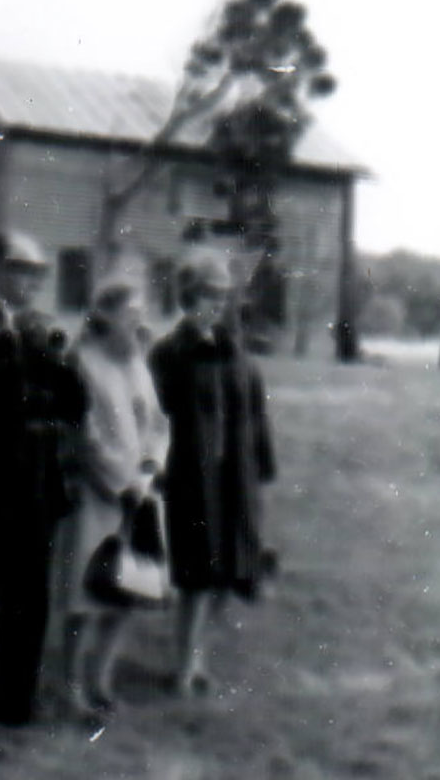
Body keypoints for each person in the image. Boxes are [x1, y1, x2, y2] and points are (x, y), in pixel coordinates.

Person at [0, 230, 86, 726]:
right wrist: (19, 352)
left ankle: (18, 700)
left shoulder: (44, 329)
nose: (27, 282)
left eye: (35, 274)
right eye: (16, 271)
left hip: (37, 475)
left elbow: (75, 404)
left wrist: (56, 359)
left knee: (31, 594)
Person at [148, 247, 276, 697]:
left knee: (230, 572)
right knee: (197, 576)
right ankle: (183, 668)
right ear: (187, 298)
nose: (215, 306)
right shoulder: (169, 353)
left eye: (222, 297)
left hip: (234, 481)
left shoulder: (235, 353)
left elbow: (256, 413)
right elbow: (155, 414)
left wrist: (260, 466)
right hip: (191, 480)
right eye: (206, 296)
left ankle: (198, 659)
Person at [56, 277, 168, 719]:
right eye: (130, 315)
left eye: (142, 315)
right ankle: (70, 686)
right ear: (104, 316)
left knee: (131, 588)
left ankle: (101, 677)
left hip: (139, 493)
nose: (139, 324)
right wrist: (120, 482)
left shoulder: (138, 364)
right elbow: (84, 435)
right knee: (85, 593)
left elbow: (158, 424)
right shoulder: (82, 363)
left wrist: (149, 468)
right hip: (98, 492)